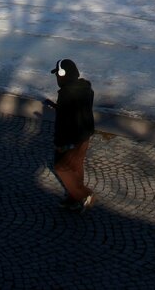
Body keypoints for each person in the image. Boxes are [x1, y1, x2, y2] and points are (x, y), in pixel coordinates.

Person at [45, 58, 96, 212]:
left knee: (61, 167)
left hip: (71, 138)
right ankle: (73, 199)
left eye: (58, 75)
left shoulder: (66, 93)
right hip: (85, 135)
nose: (57, 78)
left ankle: (84, 194)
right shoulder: (85, 88)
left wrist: (59, 143)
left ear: (62, 75)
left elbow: (64, 121)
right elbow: (77, 109)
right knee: (76, 166)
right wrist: (57, 106)